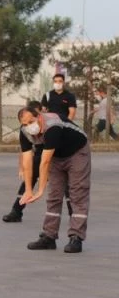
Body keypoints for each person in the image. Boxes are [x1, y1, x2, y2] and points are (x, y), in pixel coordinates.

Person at [19, 107, 91, 253]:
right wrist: (27, 190)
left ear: (39, 117)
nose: (28, 127)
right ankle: (49, 237)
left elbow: (44, 162)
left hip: (77, 152)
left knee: (77, 193)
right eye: (25, 124)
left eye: (31, 122)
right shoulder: (25, 132)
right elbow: (27, 161)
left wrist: (39, 190)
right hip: (57, 156)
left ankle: (76, 237)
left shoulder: (52, 126)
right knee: (54, 196)